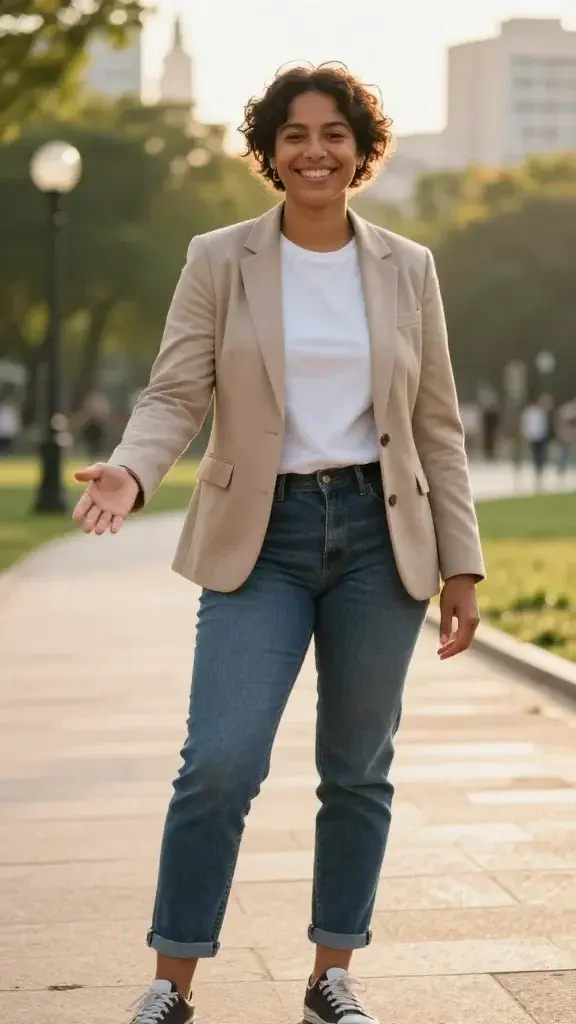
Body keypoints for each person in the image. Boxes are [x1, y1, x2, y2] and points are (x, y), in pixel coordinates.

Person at [72, 64, 484, 1024]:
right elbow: (176, 391)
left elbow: (439, 427)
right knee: (220, 761)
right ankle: (171, 983)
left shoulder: (408, 267)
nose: (314, 150)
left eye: (334, 133)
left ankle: (330, 974)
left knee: (357, 768)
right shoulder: (219, 259)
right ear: (267, 151)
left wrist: (460, 561)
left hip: (384, 540)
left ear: (360, 149)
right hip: (263, 538)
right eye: (294, 134)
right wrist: (134, 472)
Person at [521, 393, 554, 491]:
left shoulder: (544, 413)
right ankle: (538, 473)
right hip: (535, 438)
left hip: (542, 437)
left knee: (543, 456)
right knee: (537, 456)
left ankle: (540, 473)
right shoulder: (532, 412)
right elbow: (528, 425)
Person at [554, 396, 576, 476]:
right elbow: (568, 420)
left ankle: (563, 468)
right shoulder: (568, 409)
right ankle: (561, 468)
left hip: (570, 435)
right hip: (566, 435)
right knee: (565, 453)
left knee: (567, 453)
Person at [0, 384, 21, 455]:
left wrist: (14, 430)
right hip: (3, 432)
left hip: (8, 432)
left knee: (7, 449)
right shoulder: (3, 407)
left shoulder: (13, 409)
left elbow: (15, 420)